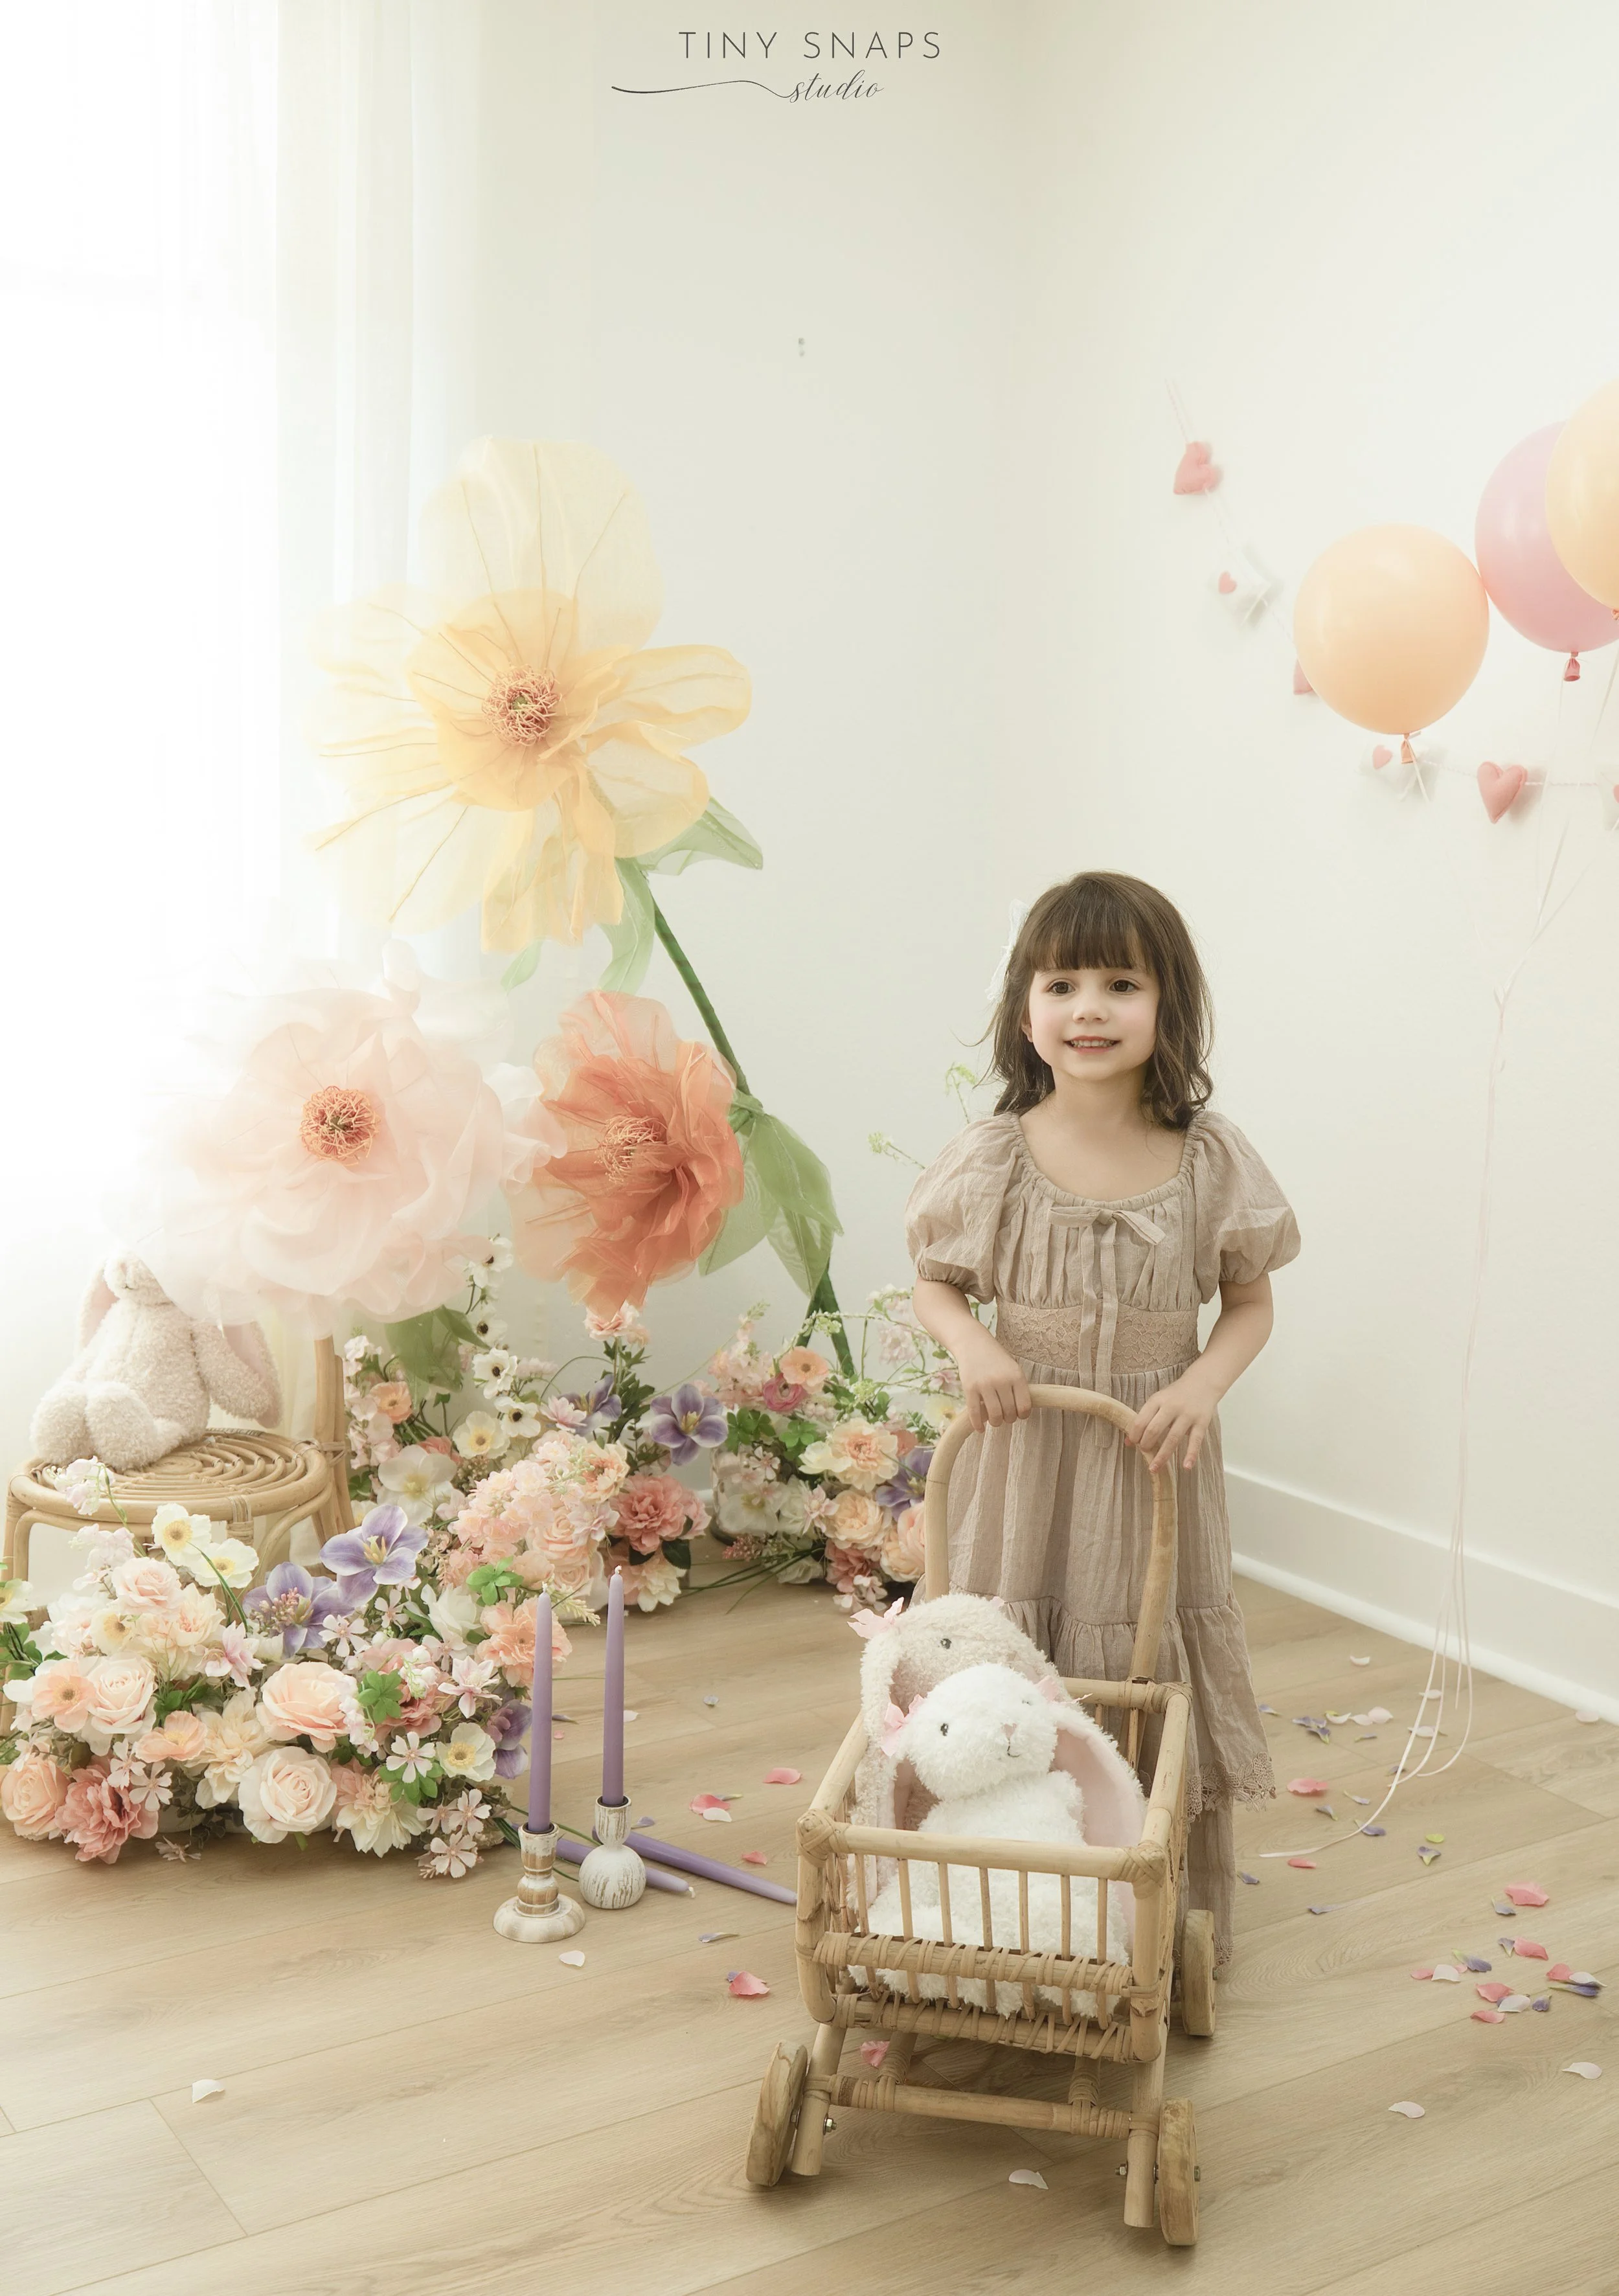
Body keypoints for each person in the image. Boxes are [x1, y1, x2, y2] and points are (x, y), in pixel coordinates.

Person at [907, 870, 1299, 1961]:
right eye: (1062, 982)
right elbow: (936, 1283)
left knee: (1140, 1646)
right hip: (1022, 1452)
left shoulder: (1208, 1159)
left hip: (1150, 1460)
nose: (1088, 1008)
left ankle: (1143, 1900)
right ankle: (999, 1899)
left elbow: (1251, 1302)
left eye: (1121, 983)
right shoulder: (996, 1159)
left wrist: (1202, 1383)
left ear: (1167, 1006)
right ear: (1024, 1010)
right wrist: (978, 1344)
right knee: (1008, 1649)